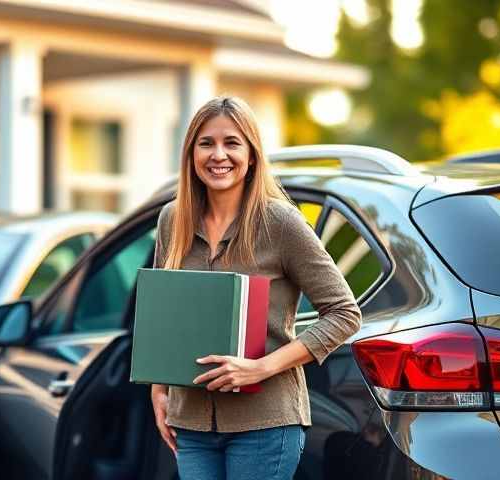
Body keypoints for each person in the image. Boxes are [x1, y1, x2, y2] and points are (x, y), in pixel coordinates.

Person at [150, 96, 362, 480]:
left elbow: (345, 314)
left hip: (265, 424)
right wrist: (159, 389)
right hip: (192, 424)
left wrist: (260, 368)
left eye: (232, 143)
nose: (218, 155)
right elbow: (167, 311)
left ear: (251, 155)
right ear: (190, 154)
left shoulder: (280, 223)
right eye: (206, 143)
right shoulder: (172, 220)